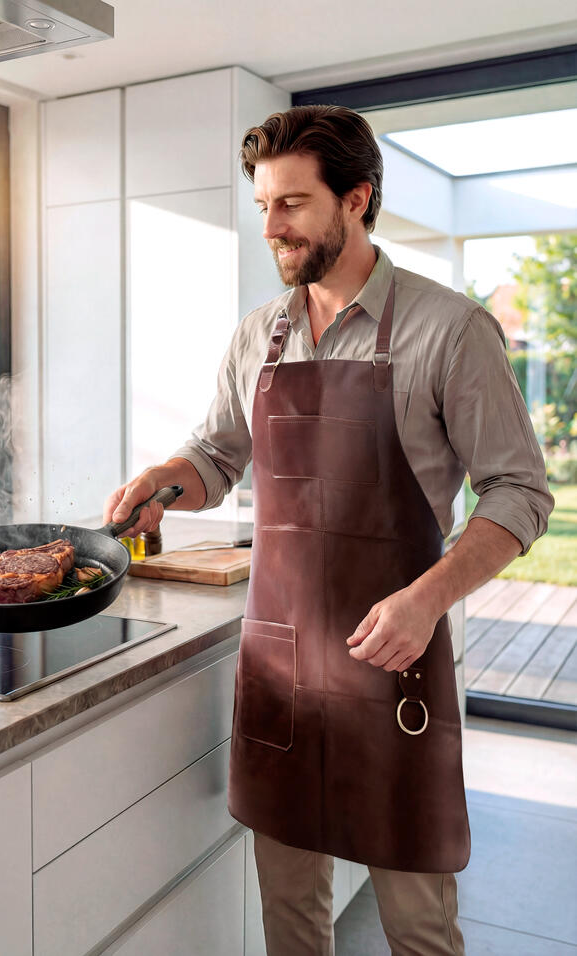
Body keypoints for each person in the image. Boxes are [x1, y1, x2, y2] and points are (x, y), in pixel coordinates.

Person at [102, 105, 553, 955]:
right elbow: (218, 453)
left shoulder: (450, 331)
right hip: (280, 670)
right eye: (263, 203)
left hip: (397, 674)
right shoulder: (258, 336)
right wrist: (171, 478)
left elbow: (520, 494)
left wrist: (426, 600)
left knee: (419, 927)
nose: (269, 225)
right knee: (291, 917)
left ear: (357, 198)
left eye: (292, 204)